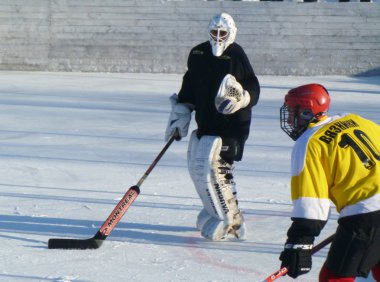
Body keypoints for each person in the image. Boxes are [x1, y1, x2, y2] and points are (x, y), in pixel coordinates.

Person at [165, 12, 260, 241]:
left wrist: (242, 98)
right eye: (214, 32)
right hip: (206, 121)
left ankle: (231, 220)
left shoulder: (236, 55)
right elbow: (189, 87)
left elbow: (252, 87)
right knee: (198, 169)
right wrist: (182, 114)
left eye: (223, 33)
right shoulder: (198, 53)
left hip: (232, 126)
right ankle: (213, 211)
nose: (218, 37)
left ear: (232, 33)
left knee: (217, 171)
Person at [278, 83, 380, 281]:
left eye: (292, 112)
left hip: (367, 214)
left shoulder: (310, 142)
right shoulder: (356, 120)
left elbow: (311, 202)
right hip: (371, 215)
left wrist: (299, 243)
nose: (289, 119)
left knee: (333, 278)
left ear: (307, 112)